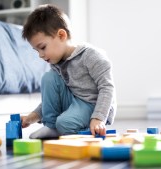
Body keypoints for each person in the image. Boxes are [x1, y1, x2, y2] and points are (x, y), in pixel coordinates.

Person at [21, 4, 117, 139]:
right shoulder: (56, 63)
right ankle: (51, 127)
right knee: (48, 78)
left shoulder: (91, 56)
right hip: (74, 102)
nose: (40, 55)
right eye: (37, 51)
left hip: (93, 105)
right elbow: (52, 100)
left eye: (42, 48)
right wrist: (32, 117)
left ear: (61, 35)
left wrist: (98, 118)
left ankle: (82, 129)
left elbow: (107, 88)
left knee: (64, 123)